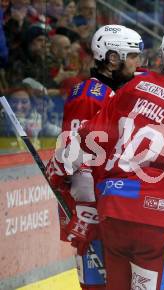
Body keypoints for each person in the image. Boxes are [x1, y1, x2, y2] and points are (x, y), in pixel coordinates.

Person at [48, 25, 164, 290]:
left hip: (114, 211)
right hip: (157, 221)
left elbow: (90, 136)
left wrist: (60, 164)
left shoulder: (137, 85)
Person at [46, 24, 144, 290]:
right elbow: (77, 160)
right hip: (91, 213)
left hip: (111, 208)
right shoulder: (89, 96)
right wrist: (86, 213)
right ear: (113, 58)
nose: (138, 63)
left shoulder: (119, 89)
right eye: (133, 56)